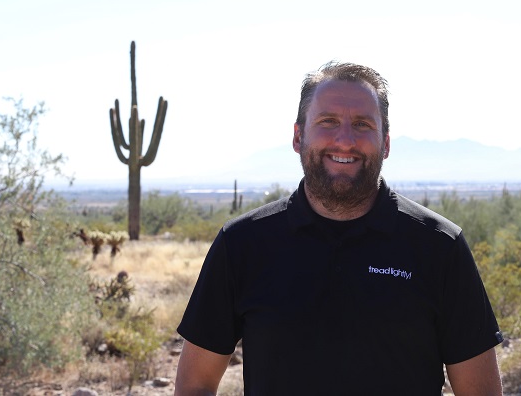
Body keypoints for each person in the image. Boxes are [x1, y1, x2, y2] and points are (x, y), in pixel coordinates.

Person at [174, 62, 504, 396]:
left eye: (362, 125)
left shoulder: (439, 246)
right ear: (298, 136)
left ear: (385, 143)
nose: (345, 140)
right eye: (328, 122)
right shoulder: (242, 244)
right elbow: (195, 384)